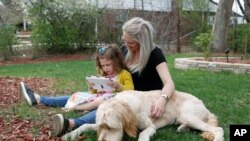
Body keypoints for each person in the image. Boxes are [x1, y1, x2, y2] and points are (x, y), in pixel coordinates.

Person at [19, 44, 134, 136]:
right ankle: (39, 99)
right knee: (78, 95)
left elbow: (130, 92)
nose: (105, 68)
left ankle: (70, 123)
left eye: (108, 65)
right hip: (98, 98)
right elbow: (94, 92)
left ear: (117, 61)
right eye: (103, 66)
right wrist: (92, 87)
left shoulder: (124, 74)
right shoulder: (103, 73)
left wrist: (119, 87)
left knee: (102, 109)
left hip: (113, 103)